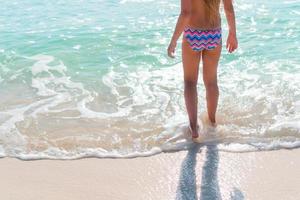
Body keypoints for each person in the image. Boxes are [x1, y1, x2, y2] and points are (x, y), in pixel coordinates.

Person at [167, 0, 238, 139]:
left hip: (193, 33)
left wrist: (174, 40)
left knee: (190, 82)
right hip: (214, 34)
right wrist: (233, 34)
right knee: (211, 82)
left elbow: (186, 13)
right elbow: (229, 9)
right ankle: (212, 122)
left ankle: (193, 127)